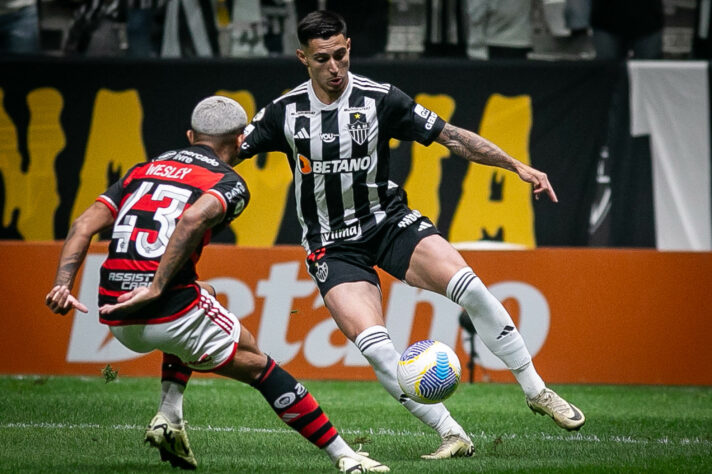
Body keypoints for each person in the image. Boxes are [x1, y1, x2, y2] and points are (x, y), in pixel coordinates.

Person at [116, 9, 586, 462]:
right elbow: (221, 157)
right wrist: (167, 182)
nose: (335, 67)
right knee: (378, 348)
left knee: (470, 287)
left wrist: (516, 165)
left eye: (341, 55)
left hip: (389, 223)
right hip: (331, 246)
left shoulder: (379, 98)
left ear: (349, 49)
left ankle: (536, 389)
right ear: (304, 58)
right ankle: (452, 434)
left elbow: (451, 136)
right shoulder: (284, 112)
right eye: (323, 59)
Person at [45, 96, 389, 473]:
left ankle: (169, 414)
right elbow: (192, 221)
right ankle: (346, 456)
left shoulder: (143, 169)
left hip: (113, 308)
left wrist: (64, 284)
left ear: (191, 135)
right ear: (242, 140)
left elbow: (82, 225)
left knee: (202, 293)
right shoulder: (230, 183)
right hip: (166, 307)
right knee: (259, 364)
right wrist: (158, 286)